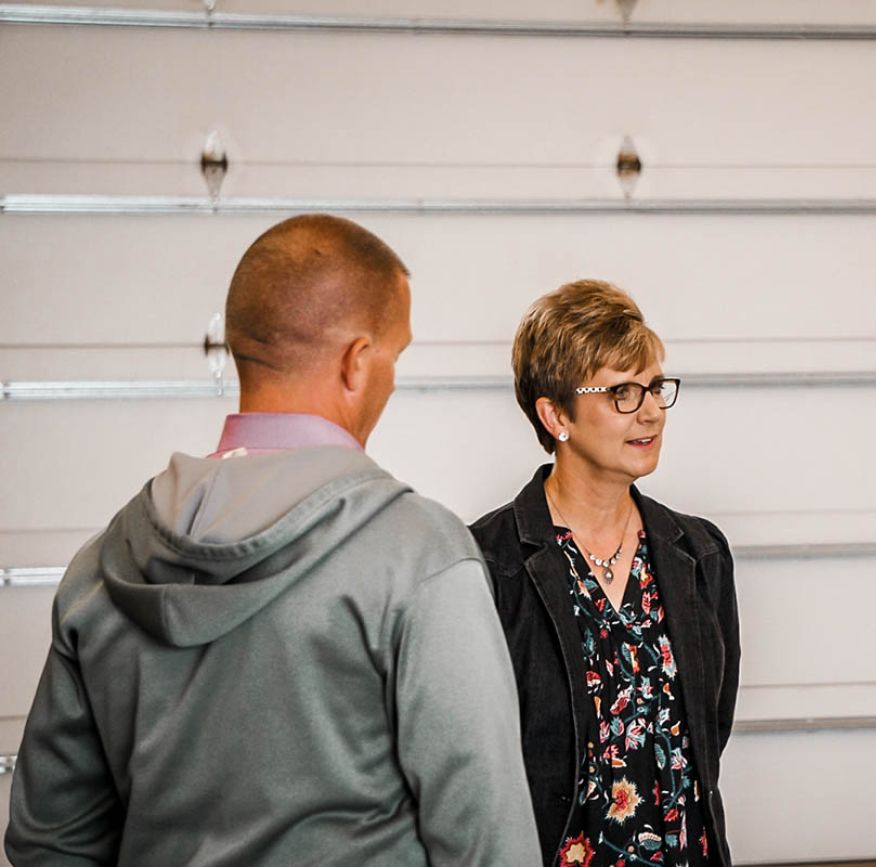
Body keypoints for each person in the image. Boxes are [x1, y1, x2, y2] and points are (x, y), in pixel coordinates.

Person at [5, 214, 541, 866]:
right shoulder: (419, 558)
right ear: (357, 363)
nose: (393, 379)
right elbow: (488, 844)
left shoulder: (101, 567)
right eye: (395, 357)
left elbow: (49, 843)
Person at [470, 280, 740, 866]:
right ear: (555, 413)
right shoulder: (488, 566)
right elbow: (476, 764)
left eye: (654, 387)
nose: (649, 411)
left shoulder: (700, 553)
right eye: (621, 392)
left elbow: (708, 731)